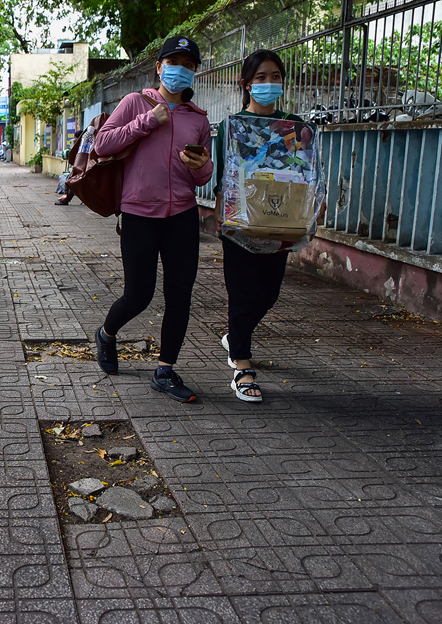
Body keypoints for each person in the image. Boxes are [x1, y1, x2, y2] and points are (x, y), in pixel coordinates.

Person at [93, 36, 213, 403]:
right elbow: (103, 144)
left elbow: (205, 176)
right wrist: (148, 121)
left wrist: (202, 166)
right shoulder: (135, 103)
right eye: (174, 62)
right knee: (138, 294)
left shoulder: (199, 119)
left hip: (182, 216)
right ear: (159, 67)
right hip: (139, 214)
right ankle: (106, 334)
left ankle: (165, 370)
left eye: (189, 65)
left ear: (194, 74)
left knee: (180, 294)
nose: (181, 69)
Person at [214, 49, 305, 402]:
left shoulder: (295, 126)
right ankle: (242, 366)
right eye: (261, 78)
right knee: (241, 292)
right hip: (240, 221)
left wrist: (314, 203)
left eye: (276, 77)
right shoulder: (232, 126)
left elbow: (304, 171)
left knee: (269, 293)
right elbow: (225, 175)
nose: (269, 83)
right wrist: (222, 213)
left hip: (279, 221)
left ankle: (236, 336)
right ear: (246, 84)